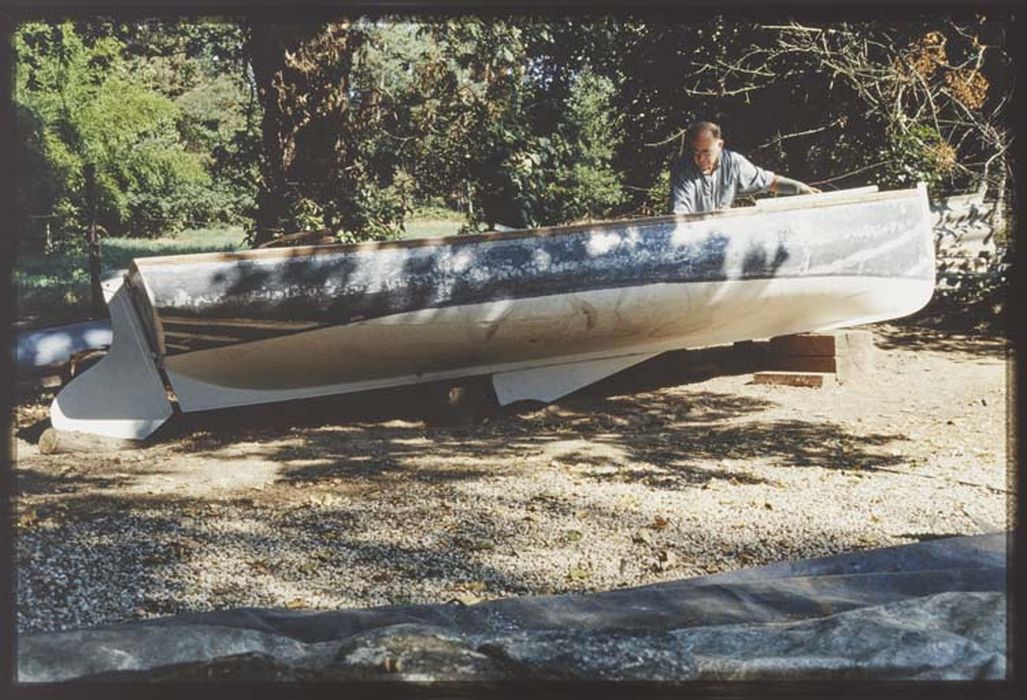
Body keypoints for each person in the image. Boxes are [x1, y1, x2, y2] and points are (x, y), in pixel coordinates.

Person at [670, 121, 820, 214]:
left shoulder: (733, 162)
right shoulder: (683, 171)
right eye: (695, 152)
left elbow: (769, 181)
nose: (700, 159)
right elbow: (680, 217)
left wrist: (800, 188)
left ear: (720, 145)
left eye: (705, 152)